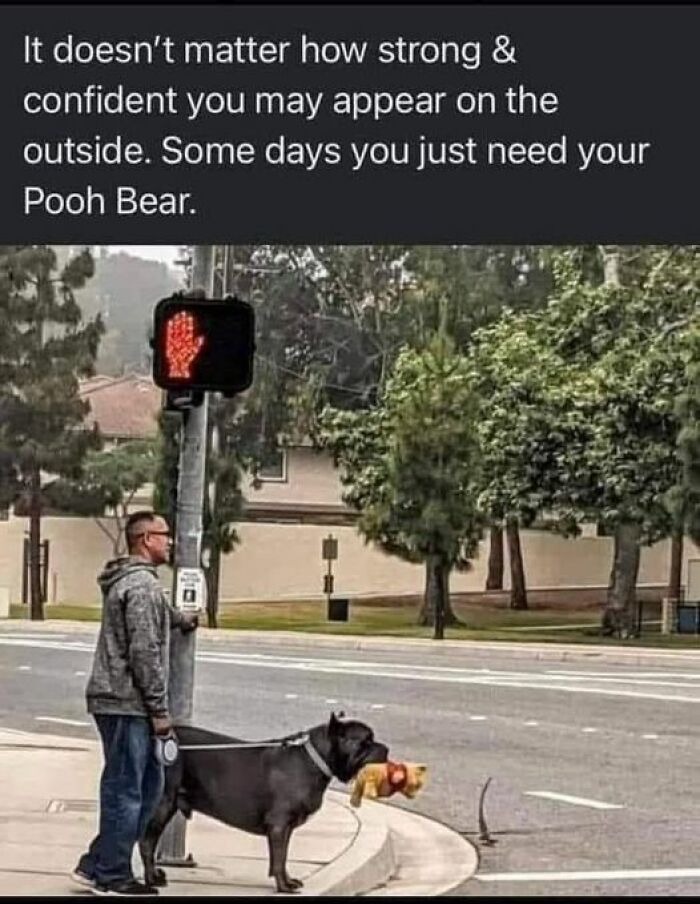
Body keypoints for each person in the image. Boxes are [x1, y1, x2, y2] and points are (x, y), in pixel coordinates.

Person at [72, 511, 198, 896]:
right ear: (145, 539)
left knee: (146, 787)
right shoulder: (141, 586)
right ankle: (111, 876)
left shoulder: (137, 584)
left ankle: (97, 864)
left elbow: (151, 619)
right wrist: (160, 712)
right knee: (128, 790)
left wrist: (180, 619)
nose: (171, 541)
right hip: (127, 703)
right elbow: (144, 650)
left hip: (123, 702)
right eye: (164, 534)